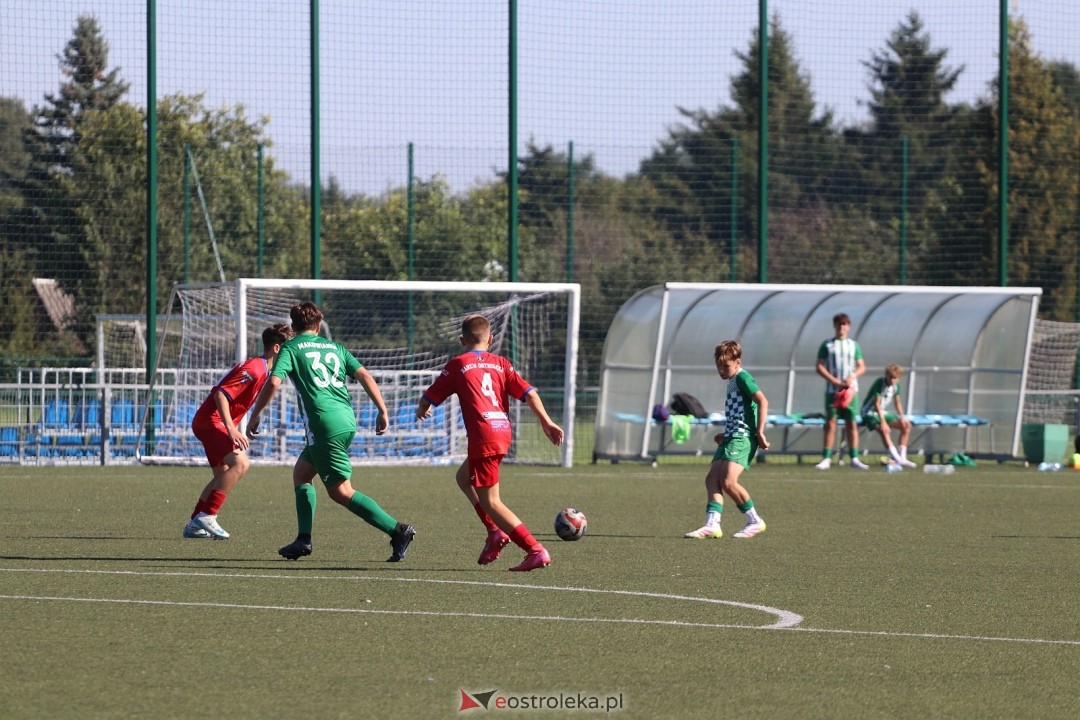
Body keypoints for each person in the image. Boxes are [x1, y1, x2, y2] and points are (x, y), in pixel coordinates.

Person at [246, 302, 416, 562]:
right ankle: (303, 539)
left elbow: (274, 382)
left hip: (322, 424)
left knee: (341, 491)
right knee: (302, 474)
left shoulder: (291, 348)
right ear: (318, 325)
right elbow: (364, 375)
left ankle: (398, 530)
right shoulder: (336, 347)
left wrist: (255, 414)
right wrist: (382, 410)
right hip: (346, 420)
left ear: (293, 326)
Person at [416, 314, 564, 572]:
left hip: (483, 436)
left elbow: (428, 398)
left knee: (491, 502)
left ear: (462, 340)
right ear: (491, 339)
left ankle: (534, 550)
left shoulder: (458, 364)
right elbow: (530, 394)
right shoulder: (501, 364)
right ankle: (495, 532)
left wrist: (422, 409)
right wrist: (546, 422)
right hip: (502, 431)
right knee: (463, 478)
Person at [184, 323, 293, 540]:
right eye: (289, 349)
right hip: (211, 422)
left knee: (222, 475)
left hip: (209, 422)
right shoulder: (255, 369)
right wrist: (232, 429)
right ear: (277, 348)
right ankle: (208, 515)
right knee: (241, 464)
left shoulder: (264, 370)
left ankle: (195, 524)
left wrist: (253, 417)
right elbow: (221, 395)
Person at [684, 340, 769, 540]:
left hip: (742, 437)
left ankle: (754, 521)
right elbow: (740, 413)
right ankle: (712, 525)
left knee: (728, 481)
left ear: (738, 362)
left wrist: (760, 431)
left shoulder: (742, 377)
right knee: (712, 479)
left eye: (726, 366)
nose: (721, 370)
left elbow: (762, 401)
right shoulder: (732, 381)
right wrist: (726, 433)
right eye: (719, 366)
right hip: (732, 436)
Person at [814, 312, 868, 470]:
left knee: (852, 423)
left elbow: (861, 366)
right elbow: (819, 366)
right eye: (839, 324)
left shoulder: (853, 345)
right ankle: (826, 458)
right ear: (834, 326)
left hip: (850, 392)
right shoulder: (827, 345)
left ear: (848, 327)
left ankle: (854, 458)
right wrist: (834, 381)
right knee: (831, 423)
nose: (841, 327)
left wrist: (852, 376)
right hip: (833, 391)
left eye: (844, 324)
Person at [861, 363, 917, 468]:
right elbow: (876, 404)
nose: (892, 380)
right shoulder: (879, 383)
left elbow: (897, 402)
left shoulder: (896, 386)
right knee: (884, 430)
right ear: (886, 375)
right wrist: (883, 422)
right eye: (890, 377)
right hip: (869, 412)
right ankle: (897, 459)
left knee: (906, 427)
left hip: (881, 412)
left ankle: (902, 458)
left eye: (895, 378)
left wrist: (902, 418)